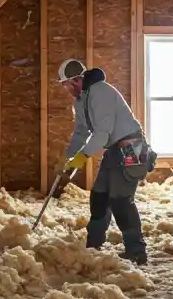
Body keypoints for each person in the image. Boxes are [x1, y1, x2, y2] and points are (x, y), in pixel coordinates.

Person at [57, 58, 154, 265]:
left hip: (131, 147)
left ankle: (136, 252)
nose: (65, 89)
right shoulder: (81, 100)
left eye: (66, 85)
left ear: (76, 80)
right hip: (113, 150)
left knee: (121, 201)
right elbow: (81, 132)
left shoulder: (101, 92)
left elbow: (102, 132)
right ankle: (93, 246)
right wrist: (67, 158)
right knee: (99, 197)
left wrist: (83, 157)